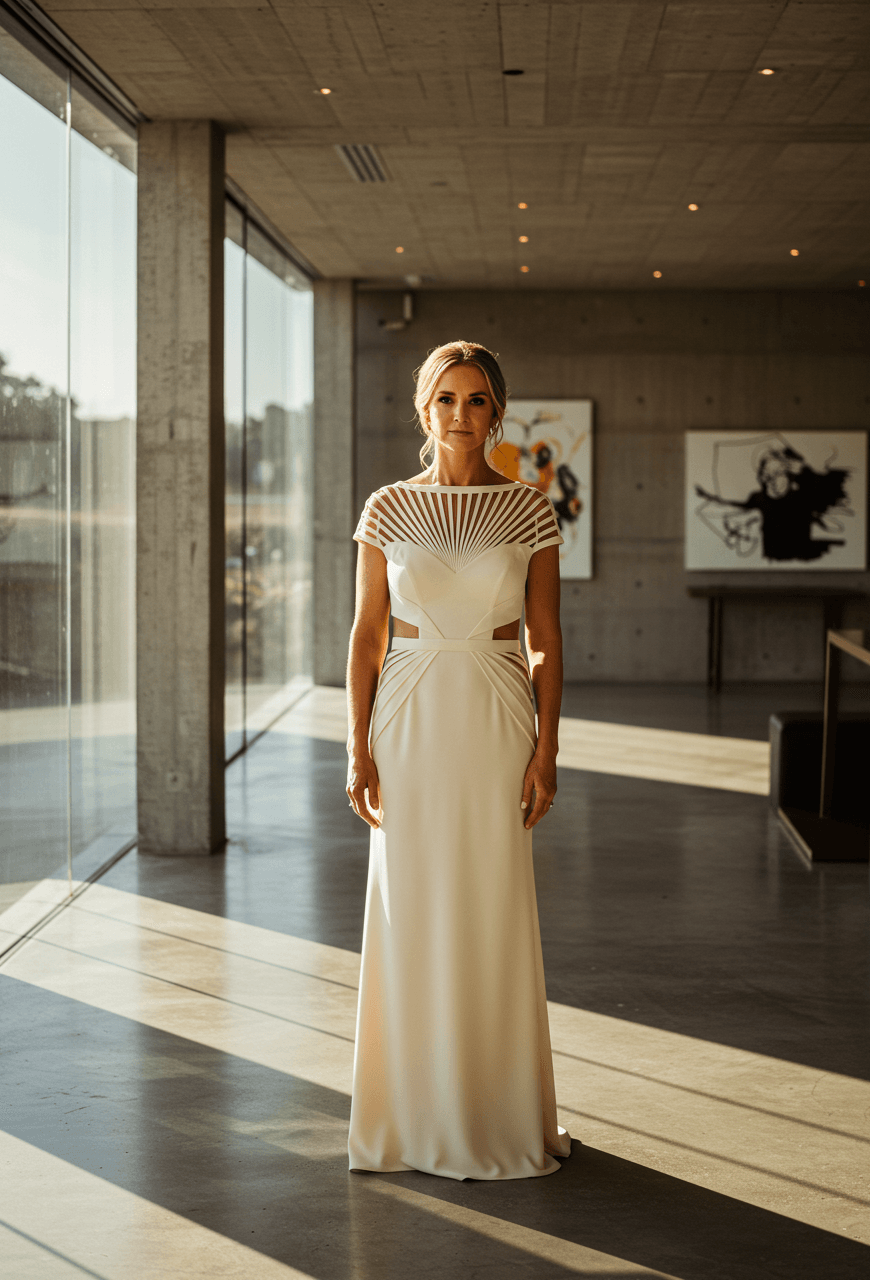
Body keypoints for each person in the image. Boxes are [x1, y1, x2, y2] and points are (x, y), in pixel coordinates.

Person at [345, 340, 571, 1181]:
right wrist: (356, 743)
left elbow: (544, 640)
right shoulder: (386, 508)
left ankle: (491, 1112)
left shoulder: (531, 511)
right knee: (408, 905)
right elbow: (367, 635)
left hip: (495, 715)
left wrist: (547, 749)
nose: (461, 415)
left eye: (477, 400)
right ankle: (409, 1116)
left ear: (497, 412)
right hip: (406, 718)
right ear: (424, 408)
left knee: (491, 901)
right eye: (446, 398)